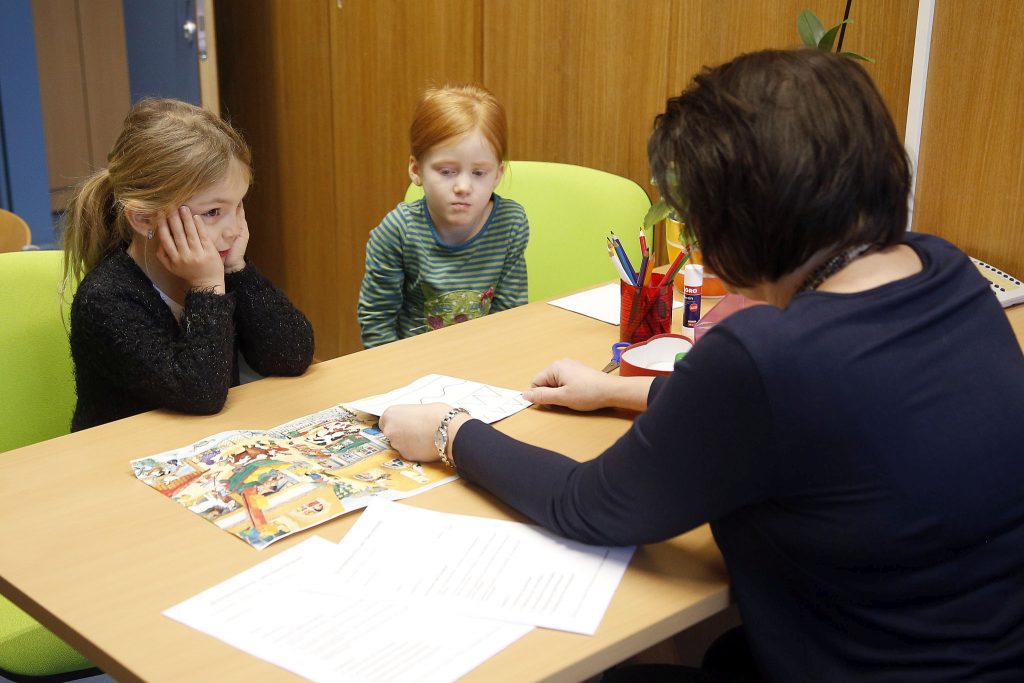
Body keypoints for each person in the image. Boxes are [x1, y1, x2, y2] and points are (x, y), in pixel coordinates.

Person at [378, 50, 1024, 681]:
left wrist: (449, 430)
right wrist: (613, 389)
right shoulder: (945, 269)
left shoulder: (765, 353)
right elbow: (803, 418)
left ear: (736, 217)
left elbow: (590, 505)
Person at [63, 98, 314, 431]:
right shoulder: (106, 299)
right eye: (212, 212)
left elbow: (292, 355)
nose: (234, 229)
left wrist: (237, 270)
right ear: (143, 218)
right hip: (124, 462)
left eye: (238, 206)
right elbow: (201, 393)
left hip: (203, 452)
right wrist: (207, 288)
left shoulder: (219, 265)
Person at [357, 84, 529, 348]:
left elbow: (509, 315)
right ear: (417, 170)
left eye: (479, 173)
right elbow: (377, 323)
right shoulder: (397, 232)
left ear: (497, 174)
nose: (463, 187)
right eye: (447, 171)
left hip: (484, 359)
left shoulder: (510, 223)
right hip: (413, 368)